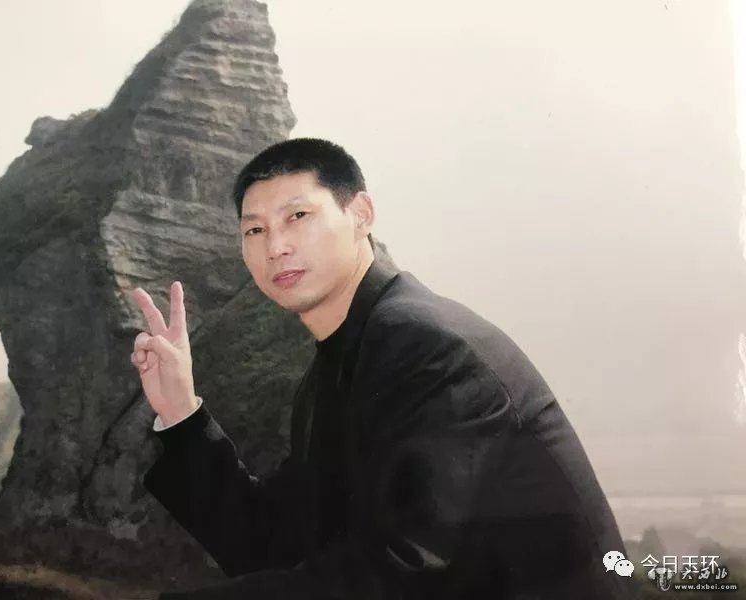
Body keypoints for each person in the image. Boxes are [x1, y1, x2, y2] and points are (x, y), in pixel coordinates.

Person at [131, 138, 638, 599]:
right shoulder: (344, 362)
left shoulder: (429, 349)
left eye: (298, 216)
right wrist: (182, 414)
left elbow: (404, 573)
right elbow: (277, 544)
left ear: (361, 214)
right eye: (255, 230)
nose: (275, 246)